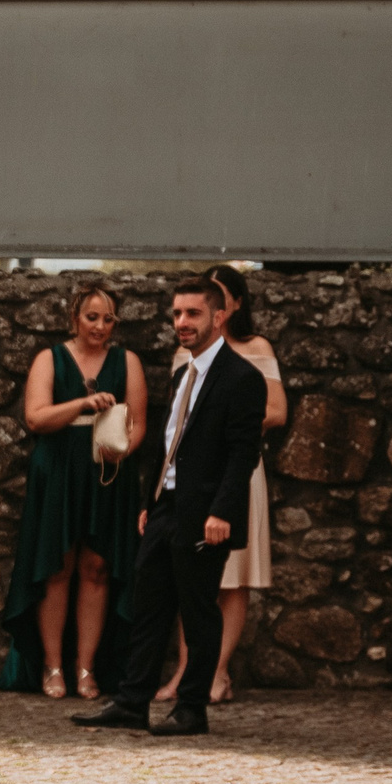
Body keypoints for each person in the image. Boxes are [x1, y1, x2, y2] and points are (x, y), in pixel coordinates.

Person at [72, 276, 267, 738]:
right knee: (148, 606)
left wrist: (222, 512)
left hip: (206, 514)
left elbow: (243, 455)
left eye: (192, 313)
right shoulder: (183, 374)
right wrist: (149, 501)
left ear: (219, 316)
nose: (181, 322)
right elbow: (167, 444)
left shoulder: (243, 379)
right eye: (177, 313)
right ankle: (132, 702)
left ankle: (192, 707)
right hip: (165, 508)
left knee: (198, 611)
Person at [0, 282, 148, 701]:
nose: (100, 326)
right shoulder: (50, 358)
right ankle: (52, 666)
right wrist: (82, 405)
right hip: (59, 470)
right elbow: (36, 417)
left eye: (108, 319)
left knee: (97, 567)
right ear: (74, 318)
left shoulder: (127, 361)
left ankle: (86, 668)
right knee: (57, 566)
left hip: (108, 472)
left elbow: (138, 424)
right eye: (92, 317)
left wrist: (120, 454)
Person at [159, 264, 285, 704]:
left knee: (233, 576)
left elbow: (277, 410)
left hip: (235, 469)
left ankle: (218, 670)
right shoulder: (185, 351)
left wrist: (225, 421)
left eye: (215, 295)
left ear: (231, 304)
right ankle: (186, 670)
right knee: (187, 576)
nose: (187, 318)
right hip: (189, 478)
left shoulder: (255, 349)